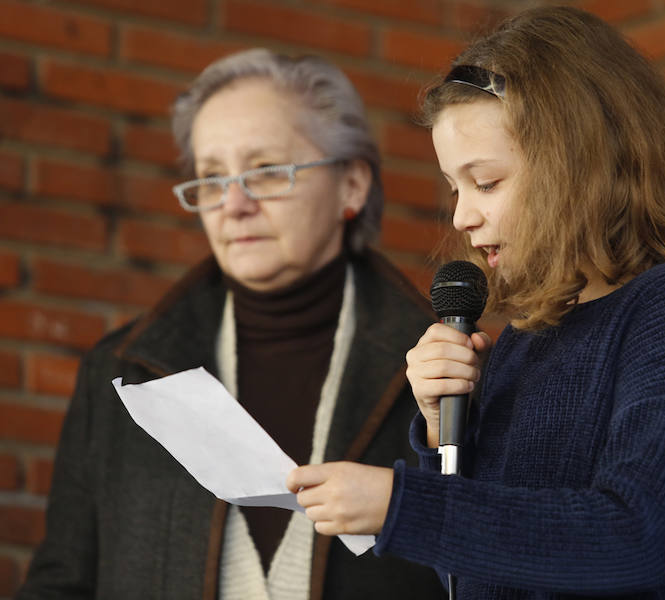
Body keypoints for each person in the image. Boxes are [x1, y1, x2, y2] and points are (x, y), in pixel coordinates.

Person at [286, 6, 665, 599]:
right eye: (455, 188)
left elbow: (634, 537)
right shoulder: (522, 344)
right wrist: (440, 436)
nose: (462, 215)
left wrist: (400, 504)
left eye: (486, 183)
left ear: (578, 165)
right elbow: (477, 578)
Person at [16, 49, 446, 600]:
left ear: (352, 186)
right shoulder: (121, 372)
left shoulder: (439, 374)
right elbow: (63, 583)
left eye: (266, 172)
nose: (232, 204)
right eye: (211, 178)